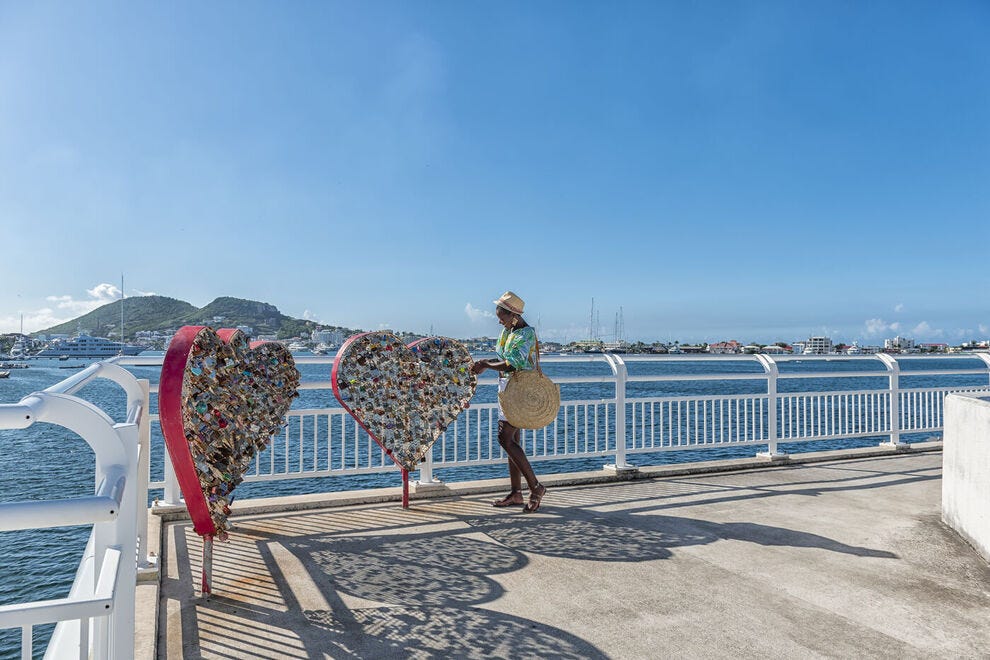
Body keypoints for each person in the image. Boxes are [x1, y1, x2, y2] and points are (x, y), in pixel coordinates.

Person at [470, 291, 547, 513]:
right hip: (507, 390)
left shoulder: (525, 334)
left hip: (521, 391)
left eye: (501, 316)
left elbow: (513, 363)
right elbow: (503, 359)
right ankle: (516, 493)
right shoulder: (508, 332)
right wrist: (486, 364)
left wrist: (486, 365)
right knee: (512, 440)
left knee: (504, 438)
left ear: (513, 314)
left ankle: (536, 487)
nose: (499, 320)